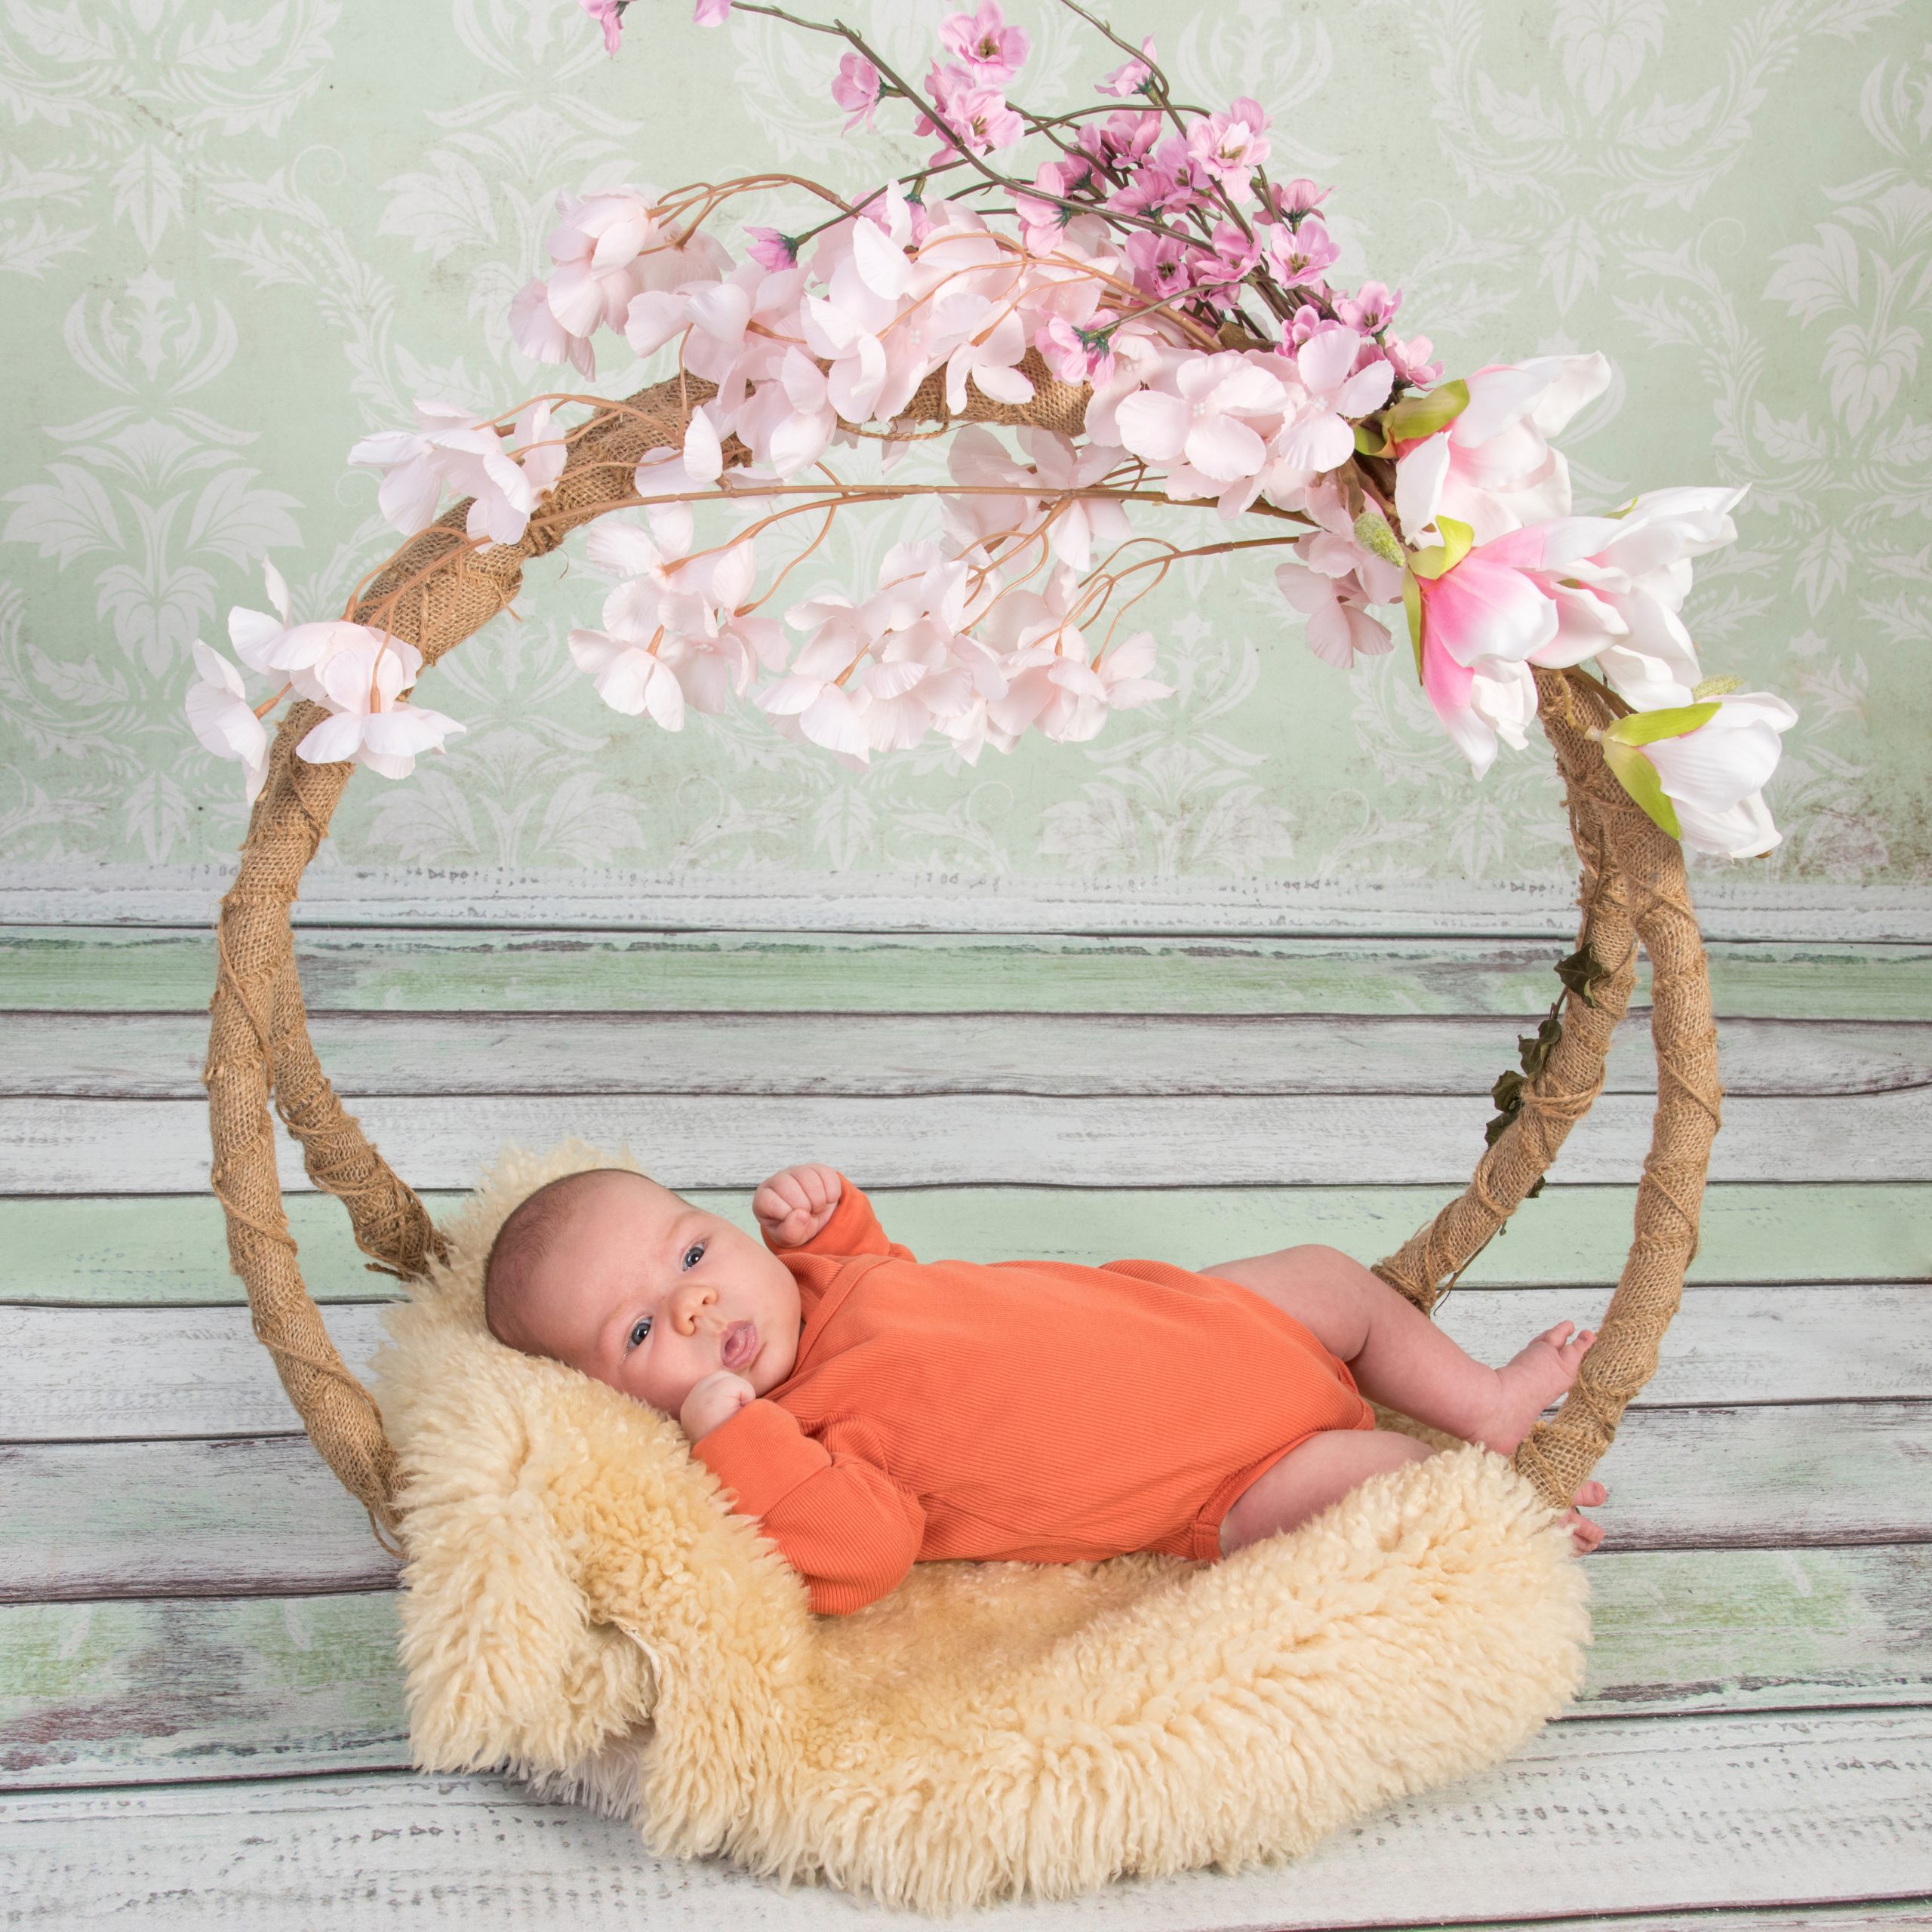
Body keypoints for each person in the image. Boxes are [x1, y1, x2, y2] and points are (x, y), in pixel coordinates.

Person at [483, 1161, 1607, 1615]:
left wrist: (826, 1223)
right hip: (1229, 1478)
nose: (694, 1305)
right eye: (642, 1331)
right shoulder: (798, 1442)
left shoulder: (827, 1284)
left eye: (693, 1253)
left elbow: (899, 1278)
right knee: (1387, 1484)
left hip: (1204, 1317)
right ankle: (1502, 1509)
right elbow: (862, 1555)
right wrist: (739, 1441)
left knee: (1331, 1280)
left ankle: (1485, 1404)